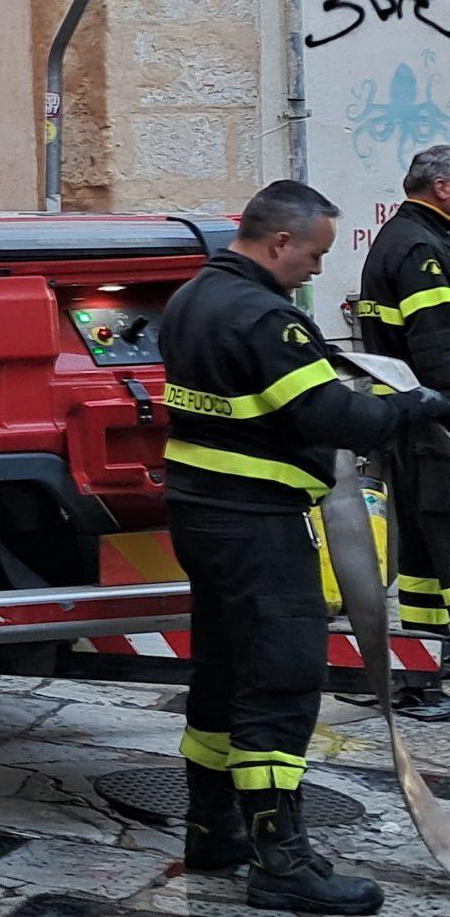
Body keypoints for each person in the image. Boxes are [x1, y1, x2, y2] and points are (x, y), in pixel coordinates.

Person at [160, 179, 450, 913]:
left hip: (203, 513)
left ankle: (212, 828)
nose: (319, 268)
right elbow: (324, 413)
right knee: (281, 685)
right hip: (256, 520)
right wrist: (408, 408)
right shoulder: (264, 315)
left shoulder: (193, 297)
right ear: (279, 241)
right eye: (315, 253)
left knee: (222, 674)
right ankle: (281, 862)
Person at [356, 146, 450, 710]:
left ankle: (419, 674)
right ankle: (421, 674)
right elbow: (440, 347)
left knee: (420, 557)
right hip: (436, 425)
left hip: (414, 424)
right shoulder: (421, 246)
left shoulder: (407, 237)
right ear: (443, 187)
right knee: (439, 547)